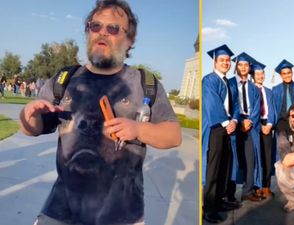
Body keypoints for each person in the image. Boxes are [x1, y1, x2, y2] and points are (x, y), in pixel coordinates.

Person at [19, 1, 182, 224]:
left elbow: (173, 135)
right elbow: (31, 129)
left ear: (130, 41)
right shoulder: (64, 80)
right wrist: (28, 115)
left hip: (122, 214)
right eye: (95, 26)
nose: (102, 32)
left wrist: (138, 129)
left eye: (113, 28)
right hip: (61, 210)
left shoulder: (145, 84)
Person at [202, 44, 241, 224]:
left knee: (225, 166)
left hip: (228, 126)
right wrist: (226, 122)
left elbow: (235, 106)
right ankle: (209, 209)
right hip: (216, 127)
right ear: (215, 62)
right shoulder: (209, 80)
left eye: (228, 60)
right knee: (214, 169)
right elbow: (212, 104)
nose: (226, 63)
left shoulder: (228, 82)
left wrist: (234, 121)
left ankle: (219, 201)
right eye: (222, 60)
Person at [227, 52, 262, 202]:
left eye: (246, 65)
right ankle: (229, 193)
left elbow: (256, 107)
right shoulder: (229, 83)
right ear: (236, 66)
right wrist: (238, 122)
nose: (243, 67)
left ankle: (247, 191)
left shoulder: (254, 88)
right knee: (233, 159)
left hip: (250, 124)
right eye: (240, 64)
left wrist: (250, 121)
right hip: (234, 122)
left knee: (250, 158)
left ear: (250, 67)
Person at [251, 60, 275, 199]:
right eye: (257, 74)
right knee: (255, 157)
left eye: (262, 74)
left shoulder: (268, 91)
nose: (260, 76)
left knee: (267, 158)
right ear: (253, 76)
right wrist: (259, 126)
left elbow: (272, 109)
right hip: (254, 126)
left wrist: (270, 124)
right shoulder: (250, 90)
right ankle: (256, 188)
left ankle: (266, 187)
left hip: (267, 125)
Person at [272, 59, 294, 134]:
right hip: (282, 122)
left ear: (292, 73)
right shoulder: (275, 90)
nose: (287, 75)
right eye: (284, 73)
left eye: (288, 73)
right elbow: (274, 108)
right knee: (283, 144)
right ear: (281, 75)